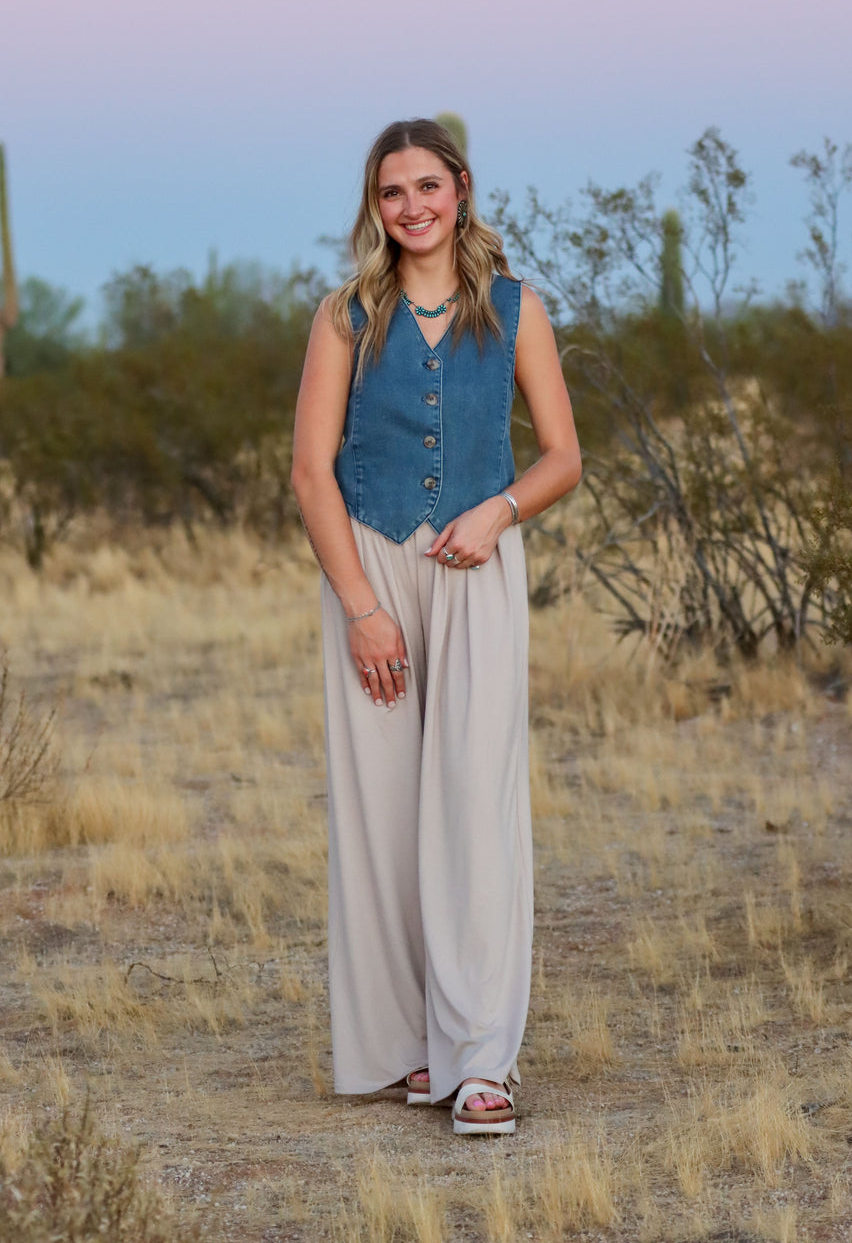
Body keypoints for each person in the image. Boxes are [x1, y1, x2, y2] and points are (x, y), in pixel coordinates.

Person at [291, 118, 581, 1135]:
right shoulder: (343, 318)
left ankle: (481, 1058)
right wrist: (361, 609)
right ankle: (410, 1044)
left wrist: (500, 509)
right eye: (389, 192)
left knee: (473, 802)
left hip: (475, 569)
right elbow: (308, 473)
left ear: (460, 188)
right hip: (369, 573)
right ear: (373, 208)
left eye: (426, 185)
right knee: (383, 811)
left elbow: (560, 456)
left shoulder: (514, 309)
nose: (410, 207)